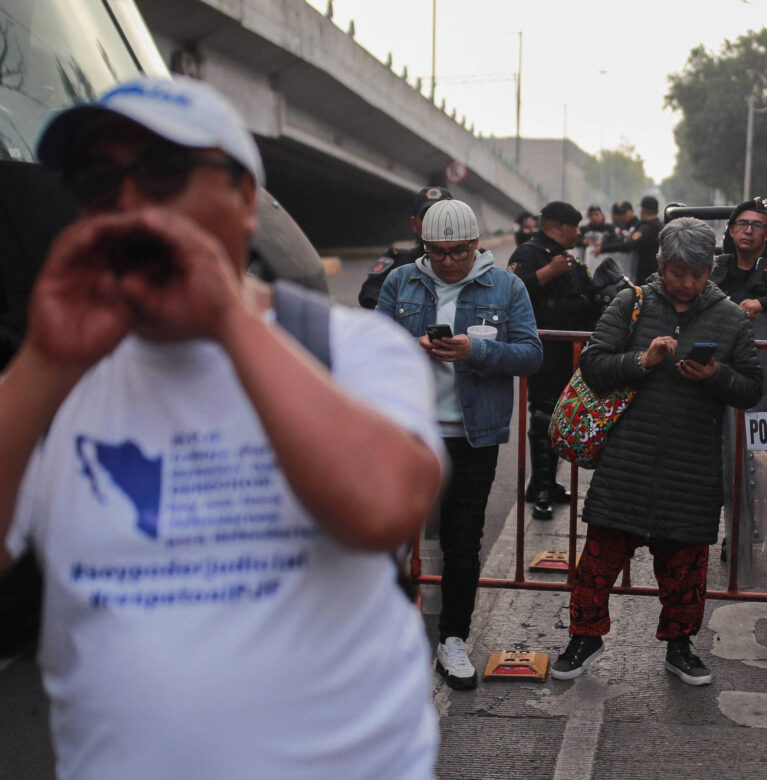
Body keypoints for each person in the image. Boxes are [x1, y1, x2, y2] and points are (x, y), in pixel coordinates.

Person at [1, 77, 444, 777]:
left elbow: (384, 507)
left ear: (244, 201)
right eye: (97, 178)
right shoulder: (58, 379)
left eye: (164, 171)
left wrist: (230, 320)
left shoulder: (348, 347)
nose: (127, 200)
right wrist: (43, 359)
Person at [550, 217, 763, 685]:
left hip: (692, 467)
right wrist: (640, 361)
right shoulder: (632, 303)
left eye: (698, 274)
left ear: (711, 271)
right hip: (627, 460)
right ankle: (584, 637)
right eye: (678, 272)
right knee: (599, 561)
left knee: (685, 567)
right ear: (661, 265)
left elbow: (751, 388)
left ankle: (680, 646)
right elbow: (593, 364)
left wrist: (716, 377)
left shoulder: (729, 317)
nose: (687, 284)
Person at [377, 199, 542, 690]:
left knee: (461, 541)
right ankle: (381, 638)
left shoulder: (507, 286)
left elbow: (531, 354)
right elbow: (375, 348)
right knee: (386, 537)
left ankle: (453, 639)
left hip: (473, 436)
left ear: (477, 246)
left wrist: (478, 350)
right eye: (437, 252)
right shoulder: (400, 281)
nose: (447, 261)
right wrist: (414, 348)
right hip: (409, 431)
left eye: (458, 252)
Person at [508, 201, 598, 519]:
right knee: (544, 413)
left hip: (567, 351)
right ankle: (542, 489)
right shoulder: (529, 254)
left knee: (561, 415)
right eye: (575, 227)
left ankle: (545, 482)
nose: (578, 233)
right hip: (543, 350)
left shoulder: (567, 259)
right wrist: (549, 273)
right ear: (559, 226)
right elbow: (511, 291)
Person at [357, 185, 454, 309]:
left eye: (442, 215)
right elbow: (370, 293)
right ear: (414, 224)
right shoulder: (398, 262)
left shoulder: (475, 262)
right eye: (427, 217)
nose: (435, 223)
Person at [600, 195, 662, 284]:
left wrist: (603, 248)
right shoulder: (655, 225)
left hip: (648, 276)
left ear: (642, 210)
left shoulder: (647, 228)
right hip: (652, 274)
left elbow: (629, 244)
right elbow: (625, 240)